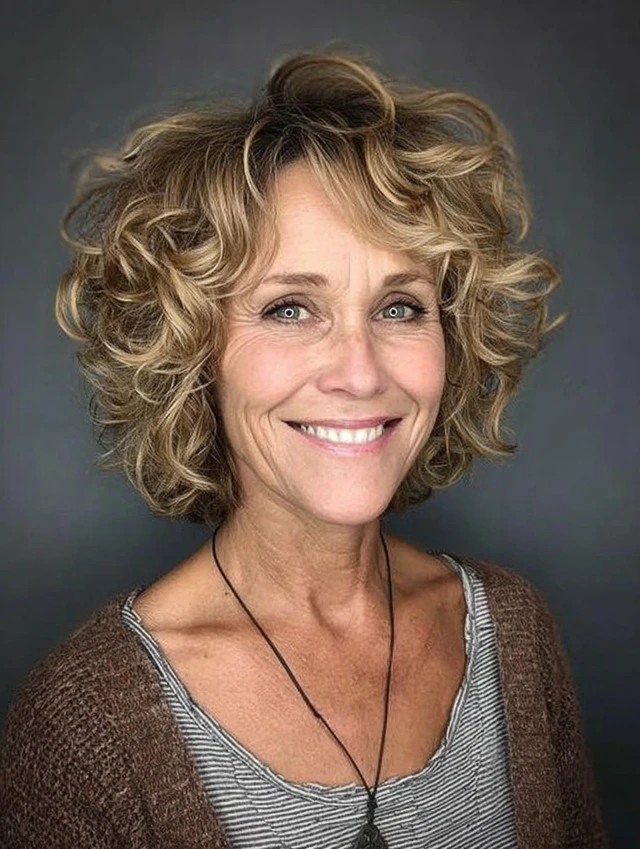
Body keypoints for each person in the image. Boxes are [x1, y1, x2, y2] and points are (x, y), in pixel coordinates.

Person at [0, 51, 609, 849]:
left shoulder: (514, 632)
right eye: (290, 307)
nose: (360, 372)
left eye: (399, 306)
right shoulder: (82, 723)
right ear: (193, 349)